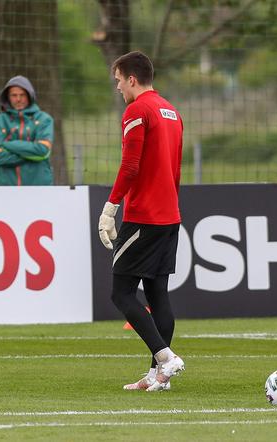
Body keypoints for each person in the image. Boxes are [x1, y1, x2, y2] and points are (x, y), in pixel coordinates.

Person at [97, 51, 185, 392]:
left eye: (119, 79)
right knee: (158, 293)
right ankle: (158, 377)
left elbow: (130, 166)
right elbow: (175, 170)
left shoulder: (137, 110)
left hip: (144, 216)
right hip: (169, 215)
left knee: (121, 292)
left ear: (132, 78)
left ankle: (165, 358)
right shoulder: (172, 112)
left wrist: (110, 208)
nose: (118, 86)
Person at [0, 75, 54, 185]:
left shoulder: (44, 119)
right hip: (6, 189)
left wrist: (9, 145)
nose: (18, 99)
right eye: (14, 95)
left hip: (39, 188)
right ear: (7, 97)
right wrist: (33, 155)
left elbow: (43, 151)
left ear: (30, 96)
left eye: (22, 95)